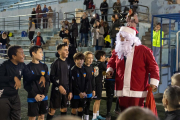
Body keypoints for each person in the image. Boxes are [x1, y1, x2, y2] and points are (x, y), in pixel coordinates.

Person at [106, 27, 159, 111]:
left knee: (136, 113)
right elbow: (111, 62)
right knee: (124, 112)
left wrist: (154, 82)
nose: (121, 39)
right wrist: (109, 70)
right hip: (121, 87)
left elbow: (154, 67)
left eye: (123, 36)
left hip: (137, 88)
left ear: (130, 38)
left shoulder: (144, 50)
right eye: (119, 37)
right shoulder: (117, 50)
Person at [0, 45, 46, 120]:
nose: (24, 55)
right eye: (21, 53)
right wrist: (13, 78)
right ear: (14, 56)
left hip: (15, 96)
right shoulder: (4, 65)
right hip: (3, 96)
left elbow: (29, 76)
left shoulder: (22, 65)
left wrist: (40, 76)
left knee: (17, 117)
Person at [46, 43, 72, 120]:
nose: (67, 52)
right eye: (65, 50)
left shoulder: (68, 63)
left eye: (68, 50)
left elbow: (70, 78)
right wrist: (59, 86)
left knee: (64, 109)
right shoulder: (55, 63)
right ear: (59, 52)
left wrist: (70, 91)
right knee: (52, 110)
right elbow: (51, 77)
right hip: (56, 91)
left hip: (66, 90)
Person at [24, 46, 50, 120]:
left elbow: (47, 81)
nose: (42, 54)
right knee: (32, 117)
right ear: (33, 53)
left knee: (41, 117)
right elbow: (26, 85)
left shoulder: (44, 66)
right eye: (40, 52)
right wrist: (35, 95)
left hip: (43, 97)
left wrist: (44, 94)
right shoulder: (27, 67)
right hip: (33, 97)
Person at [70, 52, 89, 119]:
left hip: (83, 94)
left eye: (82, 59)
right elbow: (73, 83)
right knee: (74, 110)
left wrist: (84, 92)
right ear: (75, 60)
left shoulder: (84, 69)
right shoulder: (73, 70)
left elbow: (87, 81)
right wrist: (79, 93)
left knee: (81, 109)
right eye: (78, 59)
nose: (80, 61)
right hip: (75, 94)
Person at [105, 46, 119, 120]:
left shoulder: (122, 57)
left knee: (120, 95)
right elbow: (104, 72)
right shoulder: (108, 60)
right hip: (110, 81)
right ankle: (108, 113)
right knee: (110, 97)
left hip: (118, 80)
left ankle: (117, 109)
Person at [92, 50, 106, 120]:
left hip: (97, 83)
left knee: (99, 100)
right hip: (98, 84)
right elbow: (107, 70)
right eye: (104, 56)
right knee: (97, 100)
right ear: (101, 56)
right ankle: (94, 117)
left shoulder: (96, 63)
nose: (105, 57)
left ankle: (97, 115)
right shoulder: (102, 64)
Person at [83, 51, 95, 120]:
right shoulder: (82, 68)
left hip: (90, 90)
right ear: (85, 58)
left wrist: (93, 89)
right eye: (88, 58)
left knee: (88, 105)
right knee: (82, 107)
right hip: (83, 91)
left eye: (91, 58)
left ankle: (86, 118)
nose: (90, 60)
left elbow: (92, 79)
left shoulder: (91, 67)